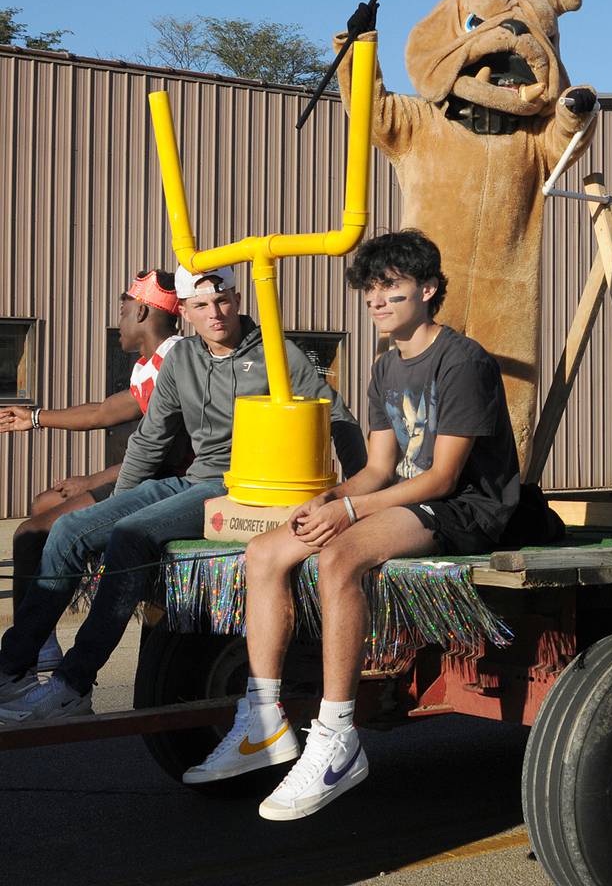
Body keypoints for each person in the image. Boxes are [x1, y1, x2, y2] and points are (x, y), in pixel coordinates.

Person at [184, 230, 524, 821]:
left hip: (468, 508)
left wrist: (347, 515)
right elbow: (378, 469)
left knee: (338, 558)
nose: (376, 300)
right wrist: (328, 499)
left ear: (428, 289)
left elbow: (443, 478)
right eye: (369, 290)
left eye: (389, 287)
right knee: (265, 553)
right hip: (404, 497)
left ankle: (338, 735)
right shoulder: (384, 368)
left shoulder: (463, 359)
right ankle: (263, 722)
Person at [0, 265, 366, 721]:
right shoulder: (182, 359)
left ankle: (73, 683)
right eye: (201, 305)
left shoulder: (277, 353)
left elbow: (339, 418)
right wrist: (112, 504)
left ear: (236, 298)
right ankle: (13, 669)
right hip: (194, 479)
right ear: (186, 313)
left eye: (223, 300)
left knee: (132, 535)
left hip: (239, 486)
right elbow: (149, 441)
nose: (215, 313)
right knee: (71, 529)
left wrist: (359, 493)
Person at [0, 270, 187, 670]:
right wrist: (34, 418)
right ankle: (42, 637)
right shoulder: (151, 363)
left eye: (121, 311)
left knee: (30, 534)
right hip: (142, 475)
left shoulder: (175, 360)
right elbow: (105, 411)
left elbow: (164, 450)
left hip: (157, 486)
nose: (117, 321)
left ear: (141, 311)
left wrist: (93, 480)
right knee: (43, 503)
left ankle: (35, 645)